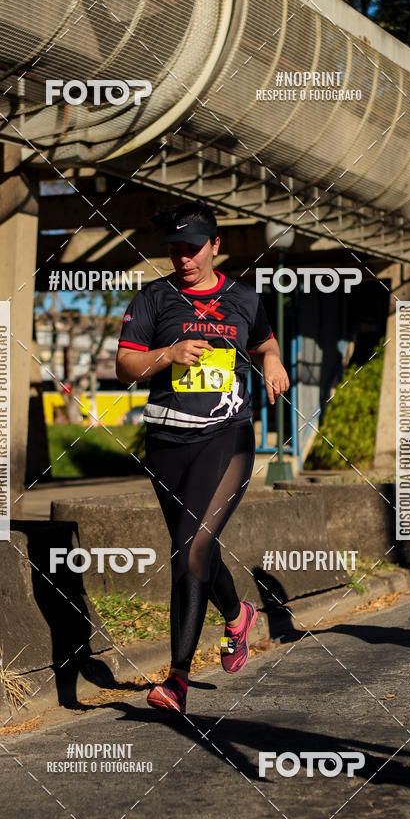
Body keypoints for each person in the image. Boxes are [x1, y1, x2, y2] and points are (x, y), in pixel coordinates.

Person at [116, 200, 290, 714]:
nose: (184, 259)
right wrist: (166, 355)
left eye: (193, 249)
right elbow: (125, 366)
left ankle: (177, 680)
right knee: (192, 544)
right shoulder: (153, 298)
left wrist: (274, 363)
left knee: (189, 547)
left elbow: (265, 342)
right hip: (167, 441)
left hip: (227, 437)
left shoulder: (242, 297)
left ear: (215, 246)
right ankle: (237, 613)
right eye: (175, 250)